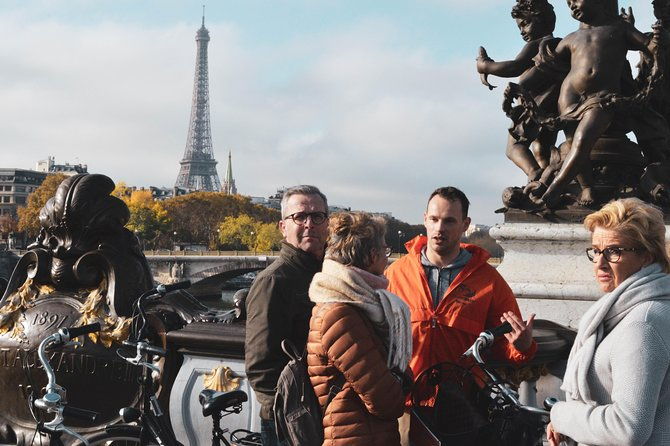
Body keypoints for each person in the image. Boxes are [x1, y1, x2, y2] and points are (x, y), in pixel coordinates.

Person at [547, 198, 670, 446]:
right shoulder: (629, 311)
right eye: (596, 251)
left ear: (647, 256)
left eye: (614, 251)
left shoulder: (642, 323)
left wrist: (561, 415)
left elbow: (628, 427)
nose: (600, 263)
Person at [385, 187, 536, 388]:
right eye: (434, 219)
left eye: (449, 221)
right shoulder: (395, 273)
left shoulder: (489, 281)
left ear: (465, 224)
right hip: (405, 397)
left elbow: (504, 347)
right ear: (425, 219)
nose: (439, 228)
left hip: (463, 398)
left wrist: (523, 347)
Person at [537, 0, 660, 207]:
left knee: (582, 140)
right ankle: (587, 186)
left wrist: (657, 38)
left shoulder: (620, 29)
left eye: (576, 0)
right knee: (571, 143)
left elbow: (649, 46)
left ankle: (554, 189)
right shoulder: (571, 38)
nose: (572, 5)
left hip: (602, 98)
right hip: (568, 96)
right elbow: (545, 64)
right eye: (568, 3)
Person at [307, 212, 412, 446]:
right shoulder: (341, 316)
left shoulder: (352, 304)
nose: (387, 258)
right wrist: (402, 377)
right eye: (385, 251)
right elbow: (387, 402)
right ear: (372, 256)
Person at [245, 185, 329, 446]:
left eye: (317, 216)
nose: (309, 224)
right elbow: (260, 365)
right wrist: (291, 414)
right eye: (299, 216)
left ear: (327, 224)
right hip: (292, 422)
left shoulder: (328, 274)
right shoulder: (273, 281)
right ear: (283, 227)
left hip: (324, 413)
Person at [476, 0, 560, 183]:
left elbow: (514, 67)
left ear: (542, 19)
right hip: (551, 106)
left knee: (514, 147)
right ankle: (547, 179)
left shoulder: (538, 44)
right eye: (519, 27)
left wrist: (485, 66)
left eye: (525, 23)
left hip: (535, 106)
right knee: (541, 147)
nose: (522, 31)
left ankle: (534, 174)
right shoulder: (556, 46)